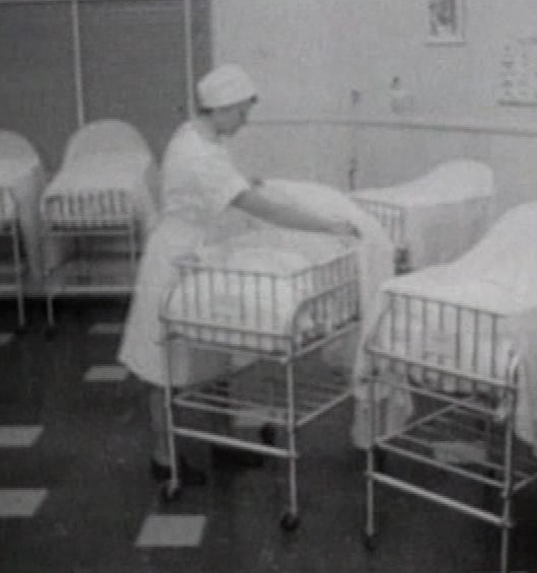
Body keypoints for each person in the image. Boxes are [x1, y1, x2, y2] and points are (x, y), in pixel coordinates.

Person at [118, 64, 358, 485]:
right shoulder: (200, 154)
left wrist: (243, 182)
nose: (246, 121)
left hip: (199, 251)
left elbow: (214, 185)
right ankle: (163, 459)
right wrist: (326, 226)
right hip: (175, 258)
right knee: (162, 363)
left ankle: (223, 444)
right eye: (243, 112)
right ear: (222, 108)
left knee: (213, 353)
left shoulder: (195, 134)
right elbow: (261, 208)